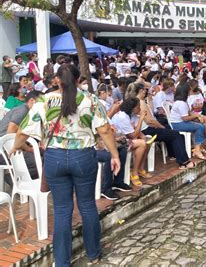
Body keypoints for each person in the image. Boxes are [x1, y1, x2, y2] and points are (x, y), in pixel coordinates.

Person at [11, 64, 120, 266]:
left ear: (57, 80)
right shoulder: (90, 100)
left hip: (55, 158)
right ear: (79, 80)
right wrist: (115, 155)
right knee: (87, 206)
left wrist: (16, 147)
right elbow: (104, 129)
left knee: (62, 210)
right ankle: (93, 254)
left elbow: (22, 131)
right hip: (83, 157)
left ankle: (62, 261)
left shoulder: (44, 101)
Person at [0, 90, 41, 187]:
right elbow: (10, 134)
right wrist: (29, 149)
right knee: (39, 161)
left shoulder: (28, 111)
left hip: (9, 146)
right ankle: (18, 182)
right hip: (4, 149)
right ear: (32, 101)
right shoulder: (23, 110)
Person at [110, 97, 150, 186]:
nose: (140, 109)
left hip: (125, 139)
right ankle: (134, 173)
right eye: (138, 106)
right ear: (133, 108)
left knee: (147, 142)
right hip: (118, 142)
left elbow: (136, 129)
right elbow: (133, 135)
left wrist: (144, 137)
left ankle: (140, 168)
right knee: (142, 144)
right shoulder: (122, 117)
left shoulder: (131, 115)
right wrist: (141, 119)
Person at [169, 83, 206, 159]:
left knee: (200, 123)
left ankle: (198, 147)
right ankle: (197, 150)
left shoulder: (183, 101)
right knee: (200, 127)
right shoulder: (181, 103)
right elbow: (185, 118)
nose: (190, 92)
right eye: (189, 90)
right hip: (177, 124)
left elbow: (189, 112)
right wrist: (196, 116)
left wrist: (199, 116)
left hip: (181, 122)